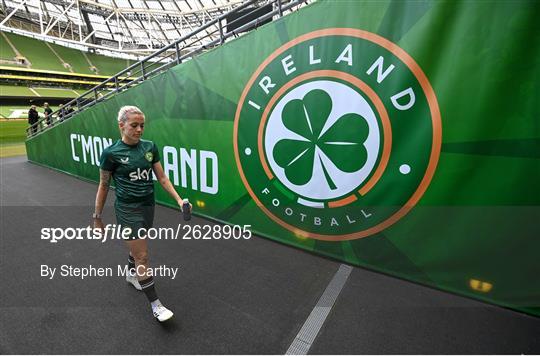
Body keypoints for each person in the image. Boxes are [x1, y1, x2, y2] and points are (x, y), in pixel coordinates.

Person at [92, 105, 191, 322]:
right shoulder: (110, 153)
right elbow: (103, 185)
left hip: (148, 205)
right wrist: (97, 218)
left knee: (139, 248)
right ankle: (156, 305)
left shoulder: (149, 147)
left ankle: (131, 274)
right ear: (121, 125)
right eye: (134, 125)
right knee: (143, 256)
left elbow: (163, 178)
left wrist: (178, 199)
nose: (139, 130)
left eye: (142, 125)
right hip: (127, 209)